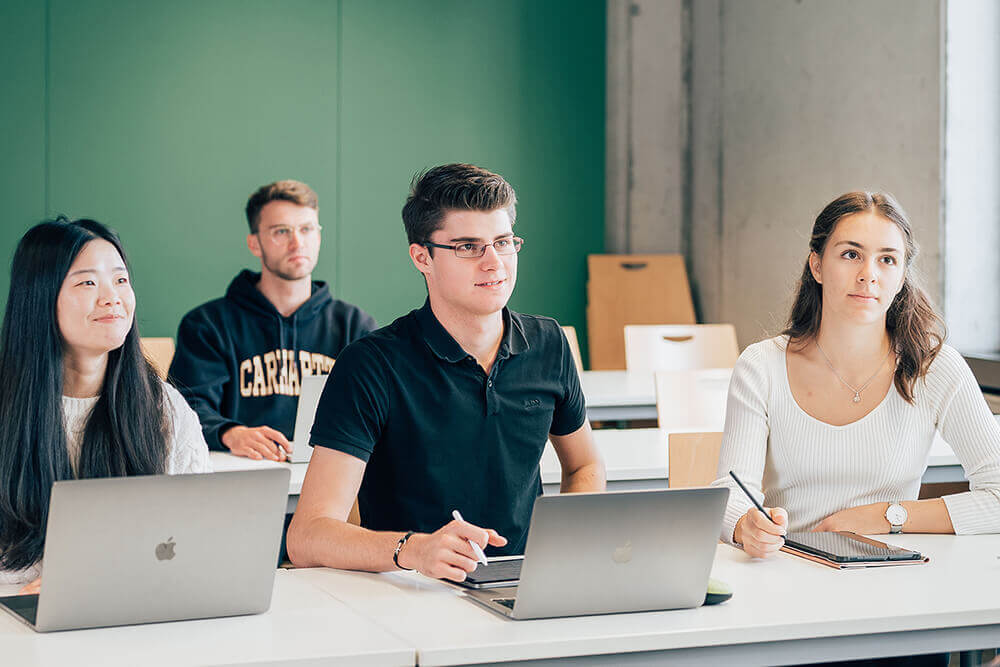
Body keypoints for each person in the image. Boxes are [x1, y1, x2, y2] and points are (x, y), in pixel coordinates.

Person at [287, 163, 606, 581]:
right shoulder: (370, 364)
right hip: (408, 591)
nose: (495, 264)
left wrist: (563, 542)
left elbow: (585, 466)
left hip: (525, 586)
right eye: (468, 247)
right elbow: (307, 535)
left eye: (503, 242)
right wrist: (414, 549)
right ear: (423, 257)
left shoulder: (549, 343)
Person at [712, 191, 1000, 560]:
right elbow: (730, 494)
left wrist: (887, 516)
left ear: (900, 277)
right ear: (816, 266)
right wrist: (744, 526)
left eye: (887, 260)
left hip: (893, 578)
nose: (869, 275)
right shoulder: (760, 365)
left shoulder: (934, 366)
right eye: (851, 255)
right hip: (787, 575)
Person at [0, 218, 212, 588]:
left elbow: (199, 532)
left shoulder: (161, 406)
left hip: (130, 607)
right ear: (40, 296)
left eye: (120, 279)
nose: (111, 297)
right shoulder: (9, 408)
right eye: (87, 282)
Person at [169, 180, 376, 461]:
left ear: (319, 236)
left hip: (328, 481)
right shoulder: (208, 325)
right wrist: (230, 433)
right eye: (281, 231)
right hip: (240, 480)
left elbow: (378, 412)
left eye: (307, 229)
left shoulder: (355, 325)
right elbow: (186, 409)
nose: (297, 243)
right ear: (255, 243)